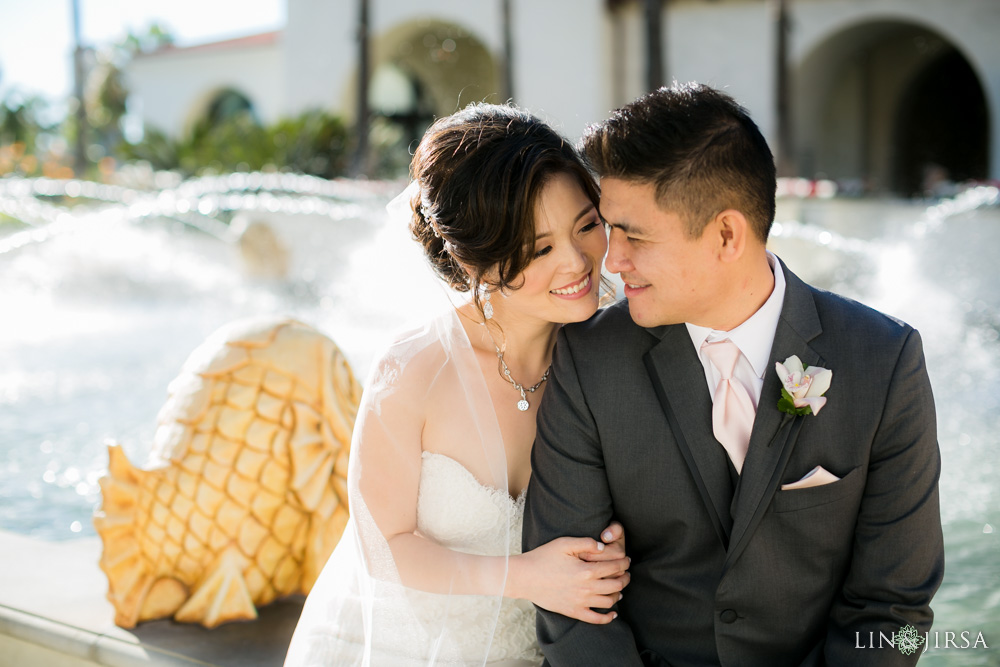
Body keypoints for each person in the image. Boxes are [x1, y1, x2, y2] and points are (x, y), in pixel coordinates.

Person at [523, 83, 944, 666]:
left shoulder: (884, 359)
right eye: (609, 228)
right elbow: (567, 602)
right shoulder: (589, 359)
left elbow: (894, 611)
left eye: (635, 236)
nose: (612, 261)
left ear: (726, 234)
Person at [284, 103, 629, 667]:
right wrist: (529, 577)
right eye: (540, 249)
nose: (577, 262)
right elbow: (384, 547)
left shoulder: (613, 349)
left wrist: (614, 549)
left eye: (587, 225)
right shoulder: (414, 369)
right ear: (476, 260)